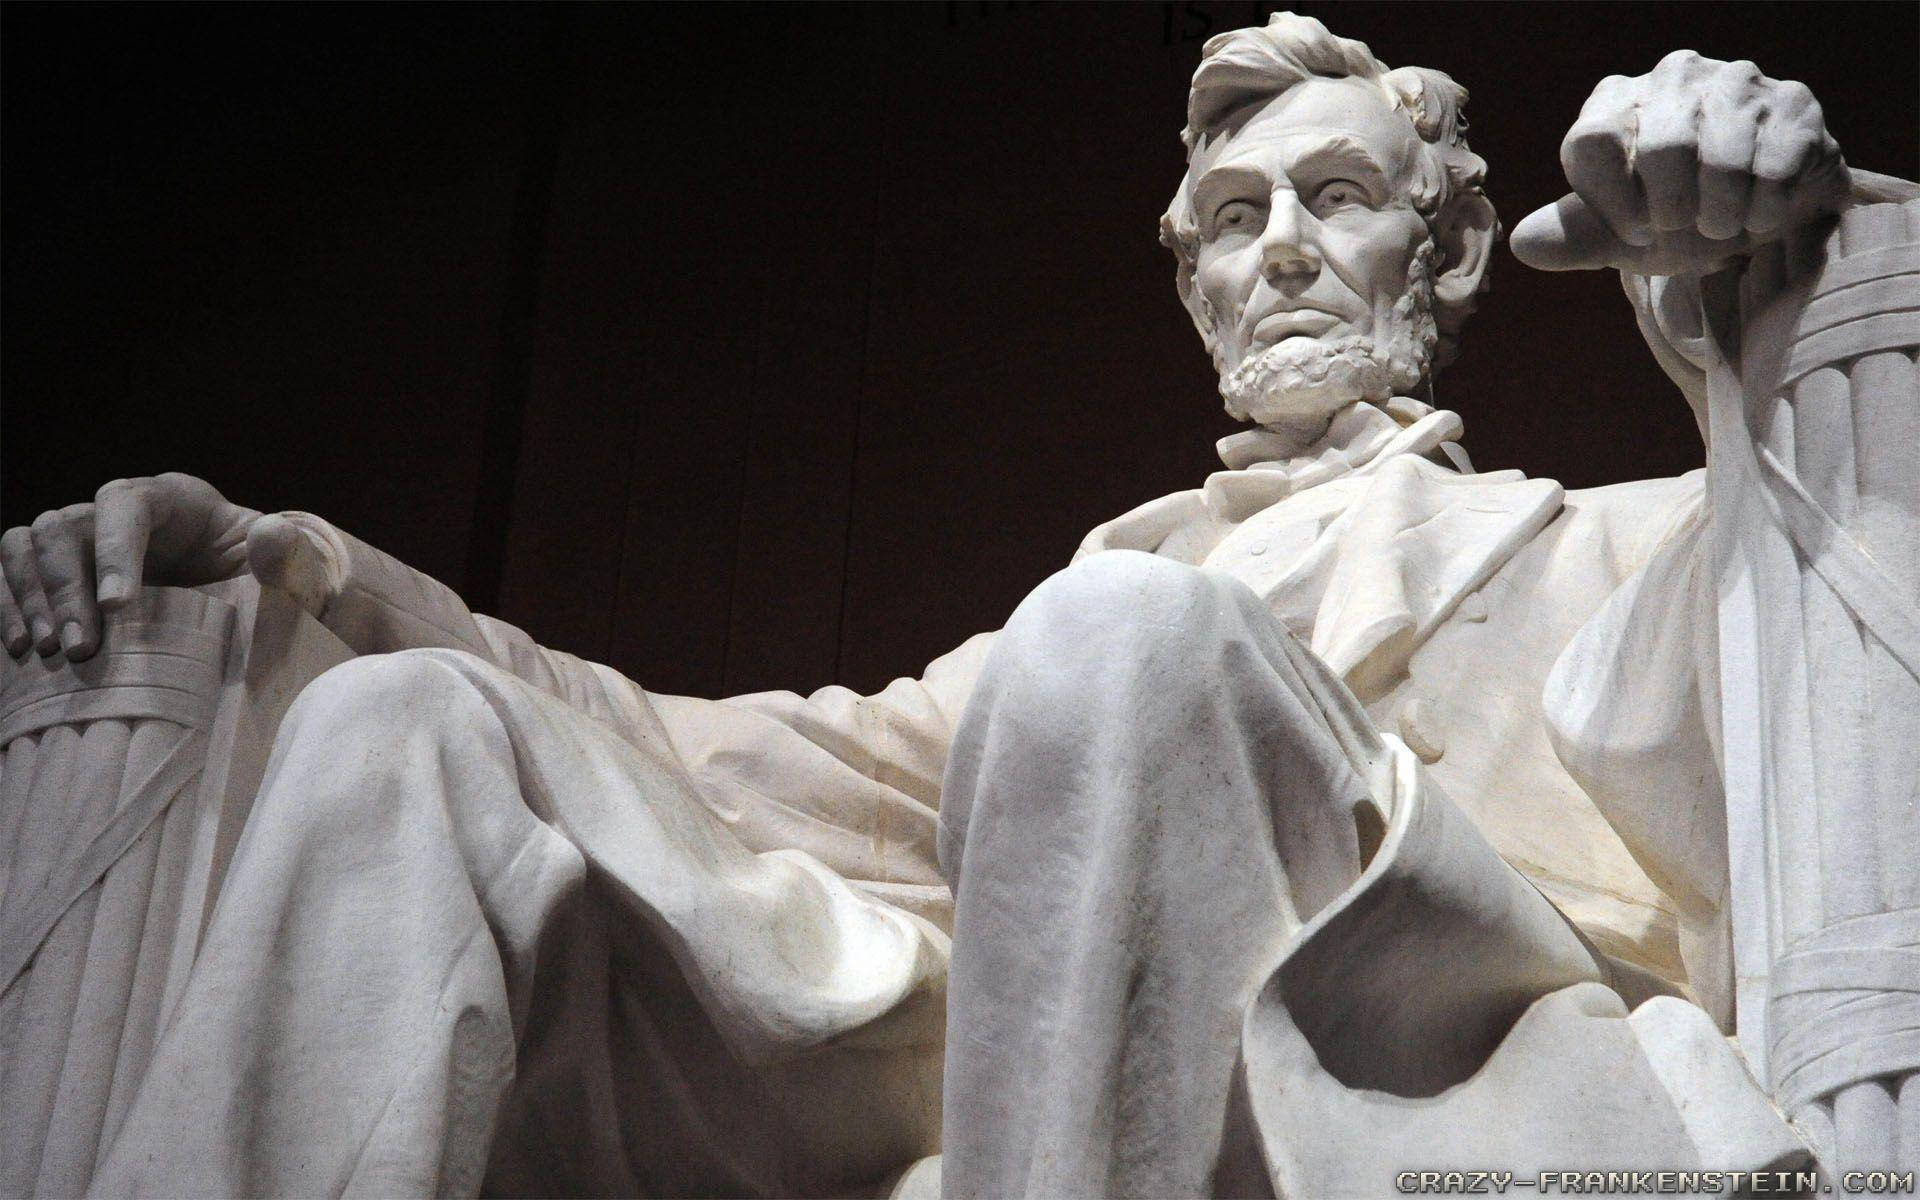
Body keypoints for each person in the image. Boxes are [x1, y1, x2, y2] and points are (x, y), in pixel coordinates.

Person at [1, 12, 1908, 1197]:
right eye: (1236, 222)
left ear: (1459, 244)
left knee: (1123, 644)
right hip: (1007, 1004)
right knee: (397, 729)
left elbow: (1846, 560)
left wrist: (1755, 275)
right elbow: (676, 751)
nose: (1286, 253)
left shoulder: (1621, 531)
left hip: (1443, 1092)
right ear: (1195, 295)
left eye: (1340, 196)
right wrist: (296, 568)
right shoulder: (1082, 615)